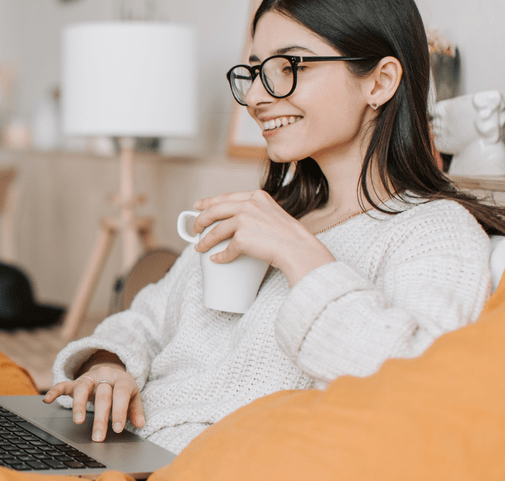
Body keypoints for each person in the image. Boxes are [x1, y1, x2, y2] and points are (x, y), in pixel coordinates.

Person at [43, 0, 505, 455]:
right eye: (255, 71)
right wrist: (108, 366)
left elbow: (414, 389)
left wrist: (299, 255)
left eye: (290, 66)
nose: (257, 98)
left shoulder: (432, 230)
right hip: (115, 441)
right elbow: (145, 319)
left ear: (380, 82)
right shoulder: (271, 211)